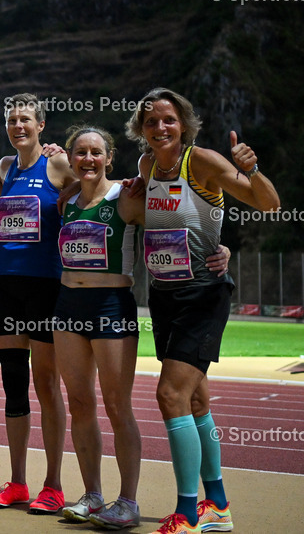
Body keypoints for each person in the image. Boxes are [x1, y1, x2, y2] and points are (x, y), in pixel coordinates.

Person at [126, 88, 278, 534]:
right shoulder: (146, 167)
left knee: (169, 395)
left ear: (184, 123)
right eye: (151, 121)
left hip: (203, 293)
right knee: (194, 399)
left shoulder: (203, 161)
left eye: (169, 120)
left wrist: (251, 169)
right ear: (141, 128)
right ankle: (218, 504)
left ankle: (188, 512)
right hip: (164, 295)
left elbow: (268, 204)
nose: (160, 128)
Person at [0, 93, 77, 514]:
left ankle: (53, 484)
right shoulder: (5, 168)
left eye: (25, 119)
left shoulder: (56, 164)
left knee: (46, 385)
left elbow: (94, 187)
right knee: (13, 385)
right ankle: (18, 481)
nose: (18, 126)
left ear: (41, 125)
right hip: (4, 284)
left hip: (45, 286)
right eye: (11, 120)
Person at [50, 125, 144, 527]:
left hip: (112, 306)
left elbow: (176, 223)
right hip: (68, 304)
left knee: (117, 406)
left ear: (109, 157)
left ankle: (128, 502)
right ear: (71, 158)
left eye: (96, 153)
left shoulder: (127, 198)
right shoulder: (66, 201)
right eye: (81, 152)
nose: (89, 159)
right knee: (80, 404)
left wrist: (218, 248)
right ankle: (92, 494)